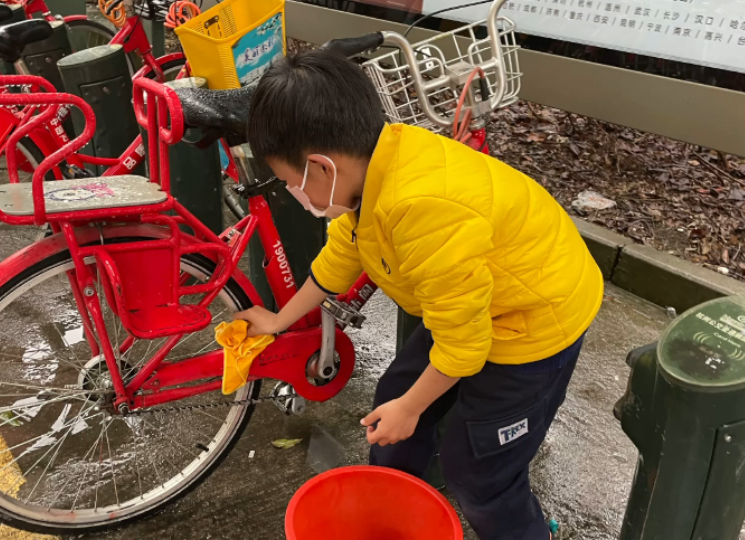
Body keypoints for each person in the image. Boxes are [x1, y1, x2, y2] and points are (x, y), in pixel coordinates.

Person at [234, 48, 603, 540]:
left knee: (479, 473)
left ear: (321, 167)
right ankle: (394, 510)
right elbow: (342, 256)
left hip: (533, 321)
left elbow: (464, 347)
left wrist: (410, 409)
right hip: (469, 307)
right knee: (391, 402)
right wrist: (280, 320)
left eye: (287, 181)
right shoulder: (375, 168)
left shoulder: (422, 210)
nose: (291, 192)